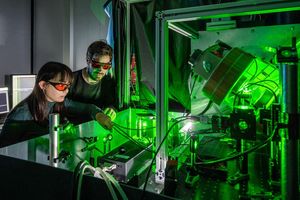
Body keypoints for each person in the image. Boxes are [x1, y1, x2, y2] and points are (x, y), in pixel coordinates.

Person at [0, 61, 113, 148]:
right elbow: (4, 150)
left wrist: (99, 114)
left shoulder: (60, 102)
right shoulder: (22, 113)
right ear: (43, 85)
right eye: (61, 86)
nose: (66, 91)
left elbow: (88, 109)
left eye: (68, 86)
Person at [67, 40, 117, 121]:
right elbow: (63, 104)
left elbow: (110, 104)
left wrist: (111, 109)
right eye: (96, 65)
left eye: (106, 66)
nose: (101, 70)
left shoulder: (107, 82)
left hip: (96, 127)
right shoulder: (71, 79)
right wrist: (91, 109)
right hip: (73, 128)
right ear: (88, 61)